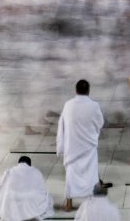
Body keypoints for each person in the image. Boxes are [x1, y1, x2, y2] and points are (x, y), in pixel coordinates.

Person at [57, 80, 105, 212]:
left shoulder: (68, 105)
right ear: (88, 91)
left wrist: (61, 146)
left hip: (72, 147)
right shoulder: (94, 106)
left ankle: (69, 204)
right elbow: (100, 123)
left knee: (71, 176)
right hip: (88, 147)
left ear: (75, 90)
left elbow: (62, 125)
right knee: (90, 174)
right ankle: (91, 202)